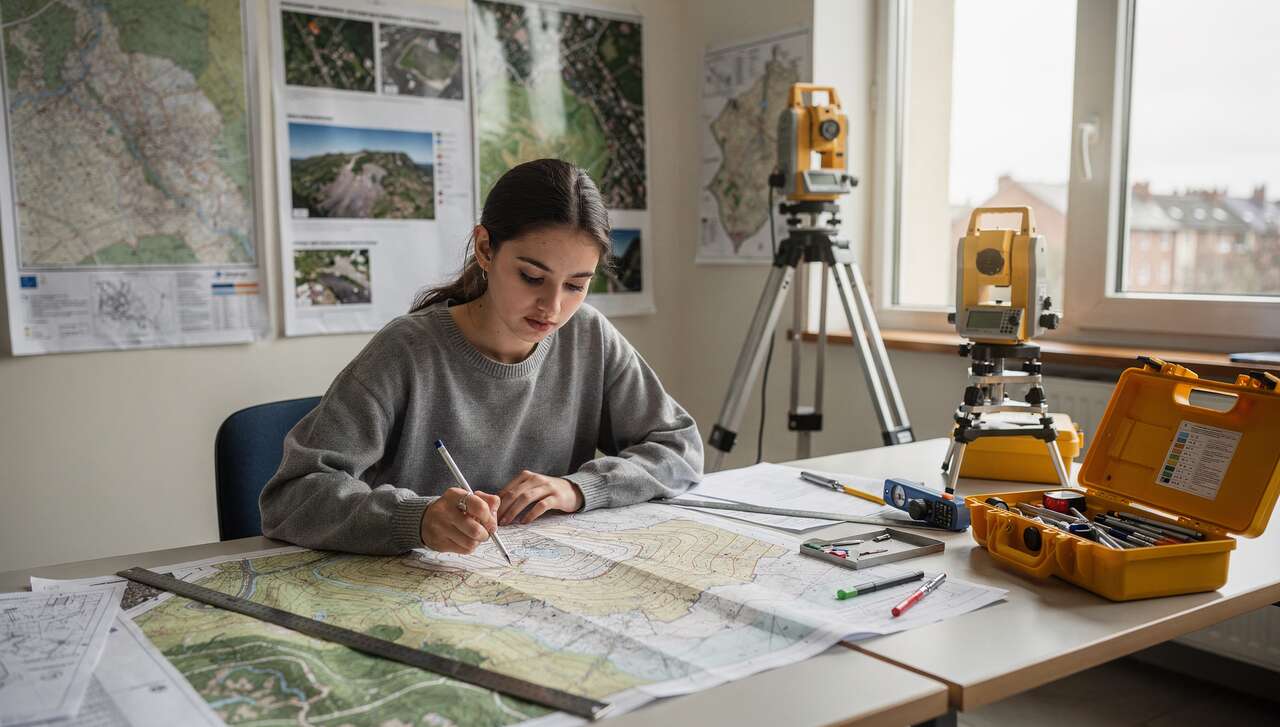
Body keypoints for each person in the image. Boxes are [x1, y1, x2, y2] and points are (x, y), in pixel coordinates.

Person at [260, 159, 703, 556]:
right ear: (486, 249)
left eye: (576, 285)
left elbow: (679, 447)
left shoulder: (590, 337)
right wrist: (415, 519)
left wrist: (579, 489)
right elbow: (291, 497)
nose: (552, 308)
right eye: (532, 277)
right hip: (415, 592)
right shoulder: (406, 352)